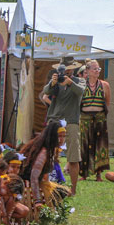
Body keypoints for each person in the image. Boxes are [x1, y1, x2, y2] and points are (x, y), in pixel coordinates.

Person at [42, 56, 85, 196]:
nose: (66, 71)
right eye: (63, 69)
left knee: (73, 156)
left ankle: (73, 189)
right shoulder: (56, 80)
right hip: (54, 120)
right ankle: (46, 184)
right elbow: (46, 92)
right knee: (47, 153)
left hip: (71, 121)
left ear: (72, 68)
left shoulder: (79, 80)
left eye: (68, 68)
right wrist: (53, 83)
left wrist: (70, 82)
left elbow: (81, 91)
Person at [19, 120, 67, 211]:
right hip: (26, 183)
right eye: (59, 136)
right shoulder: (44, 152)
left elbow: (45, 175)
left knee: (61, 192)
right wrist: (37, 200)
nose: (62, 139)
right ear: (52, 137)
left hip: (37, 182)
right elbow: (34, 177)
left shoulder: (51, 149)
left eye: (64, 136)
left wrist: (48, 186)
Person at [79, 59, 111, 181]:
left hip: (100, 118)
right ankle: (84, 174)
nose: (97, 71)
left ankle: (98, 174)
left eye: (99, 69)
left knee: (100, 145)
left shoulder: (104, 85)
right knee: (85, 145)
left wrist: (101, 115)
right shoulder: (82, 85)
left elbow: (107, 103)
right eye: (94, 69)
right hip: (85, 118)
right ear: (87, 71)